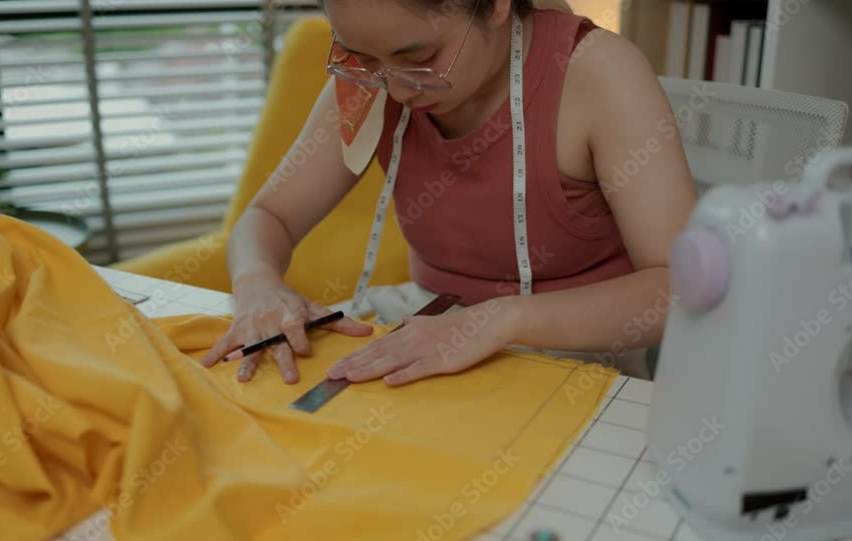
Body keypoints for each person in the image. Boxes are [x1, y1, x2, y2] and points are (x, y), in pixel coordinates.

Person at [199, 0, 697, 384]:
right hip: (428, 323)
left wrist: (495, 322)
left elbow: (679, 288)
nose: (395, 91)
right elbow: (268, 217)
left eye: (419, 58)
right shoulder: (373, 80)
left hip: (578, 353)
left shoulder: (598, 73)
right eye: (363, 57)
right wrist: (258, 283)